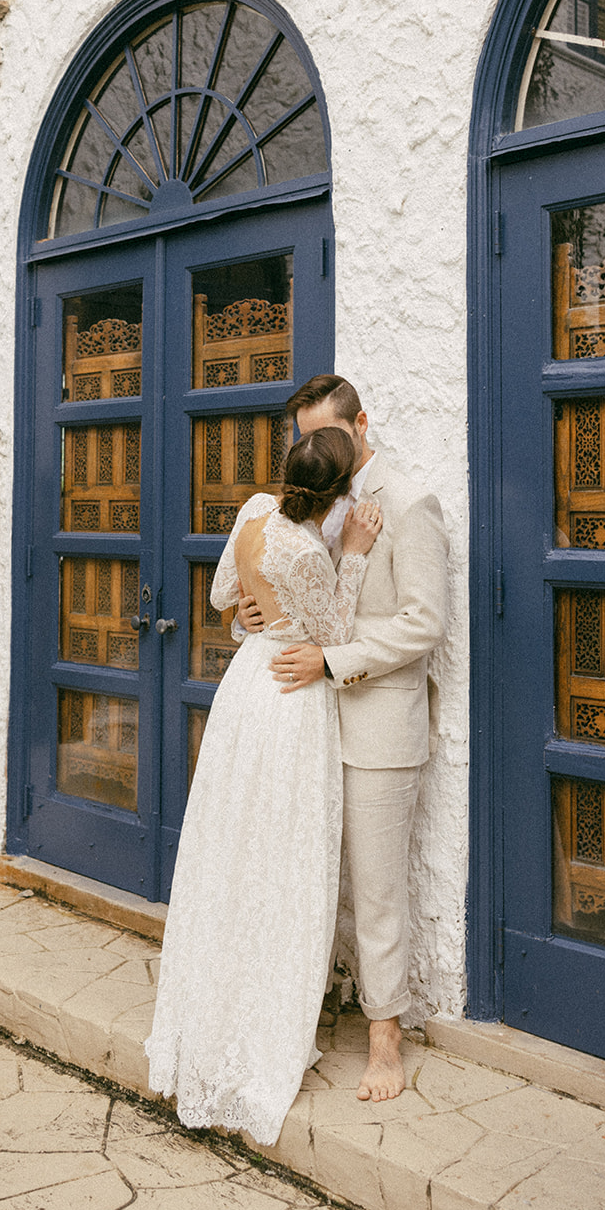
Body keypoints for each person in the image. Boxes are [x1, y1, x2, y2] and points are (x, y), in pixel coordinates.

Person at [145, 425, 383, 1147]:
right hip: (289, 698)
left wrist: (248, 610)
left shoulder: (251, 515)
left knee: (231, 845)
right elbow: (335, 633)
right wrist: (353, 558)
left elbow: (224, 593)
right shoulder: (314, 549)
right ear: (340, 494)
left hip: (246, 682)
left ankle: (213, 1013)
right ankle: (257, 1027)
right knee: (284, 859)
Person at [239, 376, 448, 1104]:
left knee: (377, 890)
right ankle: (311, 1001)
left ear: (363, 422)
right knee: (305, 875)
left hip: (376, 727)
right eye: (304, 438)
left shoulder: (410, 503)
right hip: (304, 724)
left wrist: (332, 660)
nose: (315, 448)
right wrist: (253, 618)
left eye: (327, 433)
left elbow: (422, 623)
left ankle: (384, 1037)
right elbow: (279, 602)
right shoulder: (303, 505)